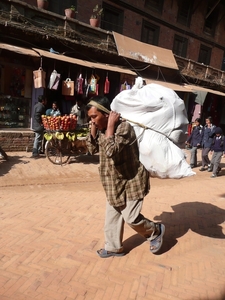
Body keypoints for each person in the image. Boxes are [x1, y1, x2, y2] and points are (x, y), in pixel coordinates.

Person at [86, 95, 165, 258]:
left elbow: (111, 151)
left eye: (95, 116)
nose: (92, 120)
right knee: (111, 218)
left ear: (107, 115)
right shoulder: (101, 130)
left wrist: (109, 127)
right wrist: (93, 128)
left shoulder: (123, 128)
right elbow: (91, 149)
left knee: (131, 218)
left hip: (131, 181)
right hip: (112, 183)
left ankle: (155, 231)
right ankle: (113, 247)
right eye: (90, 117)